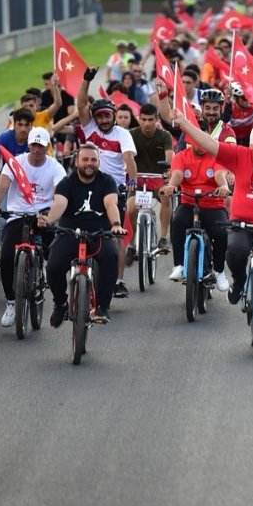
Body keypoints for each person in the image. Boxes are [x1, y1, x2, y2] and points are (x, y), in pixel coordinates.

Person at [173, 113, 253, 334]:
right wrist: (185, 124)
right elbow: (209, 143)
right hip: (243, 224)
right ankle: (240, 280)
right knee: (234, 250)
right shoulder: (240, 156)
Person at [0, 128, 66, 327]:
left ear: (47, 147)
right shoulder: (16, 162)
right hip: (18, 214)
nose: (37, 150)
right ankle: (11, 303)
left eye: (41, 146)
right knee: (5, 257)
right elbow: (3, 185)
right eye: (34, 145)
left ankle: (44, 268)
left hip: (43, 214)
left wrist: (50, 217)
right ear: (28, 145)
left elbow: (59, 195)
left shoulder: (55, 167)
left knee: (52, 249)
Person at [42, 143, 126, 326]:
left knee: (111, 256)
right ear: (77, 161)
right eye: (85, 159)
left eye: (94, 160)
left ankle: (103, 306)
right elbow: (59, 204)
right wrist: (49, 220)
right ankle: (61, 303)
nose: (89, 163)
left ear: (99, 161)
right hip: (70, 233)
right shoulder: (66, 183)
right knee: (53, 266)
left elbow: (111, 204)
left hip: (99, 233)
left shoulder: (107, 181)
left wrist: (116, 225)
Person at [77, 67, 138, 299]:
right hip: (88, 188)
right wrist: (86, 80)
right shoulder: (89, 128)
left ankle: (119, 281)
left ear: (113, 116)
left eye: (107, 116)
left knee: (116, 236)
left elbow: (129, 161)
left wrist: (131, 185)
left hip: (115, 190)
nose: (103, 120)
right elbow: (81, 104)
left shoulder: (123, 134)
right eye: (99, 116)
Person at [161, 141, 230, 292]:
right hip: (188, 202)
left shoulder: (216, 156)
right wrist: (172, 185)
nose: (201, 144)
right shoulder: (181, 156)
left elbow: (219, 173)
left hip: (213, 205)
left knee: (221, 233)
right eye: (196, 141)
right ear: (190, 142)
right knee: (178, 222)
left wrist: (223, 186)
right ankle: (179, 265)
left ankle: (219, 271)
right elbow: (178, 174)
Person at [126, 103, 174, 263]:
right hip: (137, 178)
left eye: (150, 120)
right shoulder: (131, 134)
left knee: (166, 197)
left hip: (158, 178)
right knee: (131, 207)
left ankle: (162, 238)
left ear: (156, 119)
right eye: (144, 119)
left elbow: (169, 155)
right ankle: (132, 245)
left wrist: (168, 171)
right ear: (139, 119)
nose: (147, 123)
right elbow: (125, 155)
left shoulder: (164, 135)